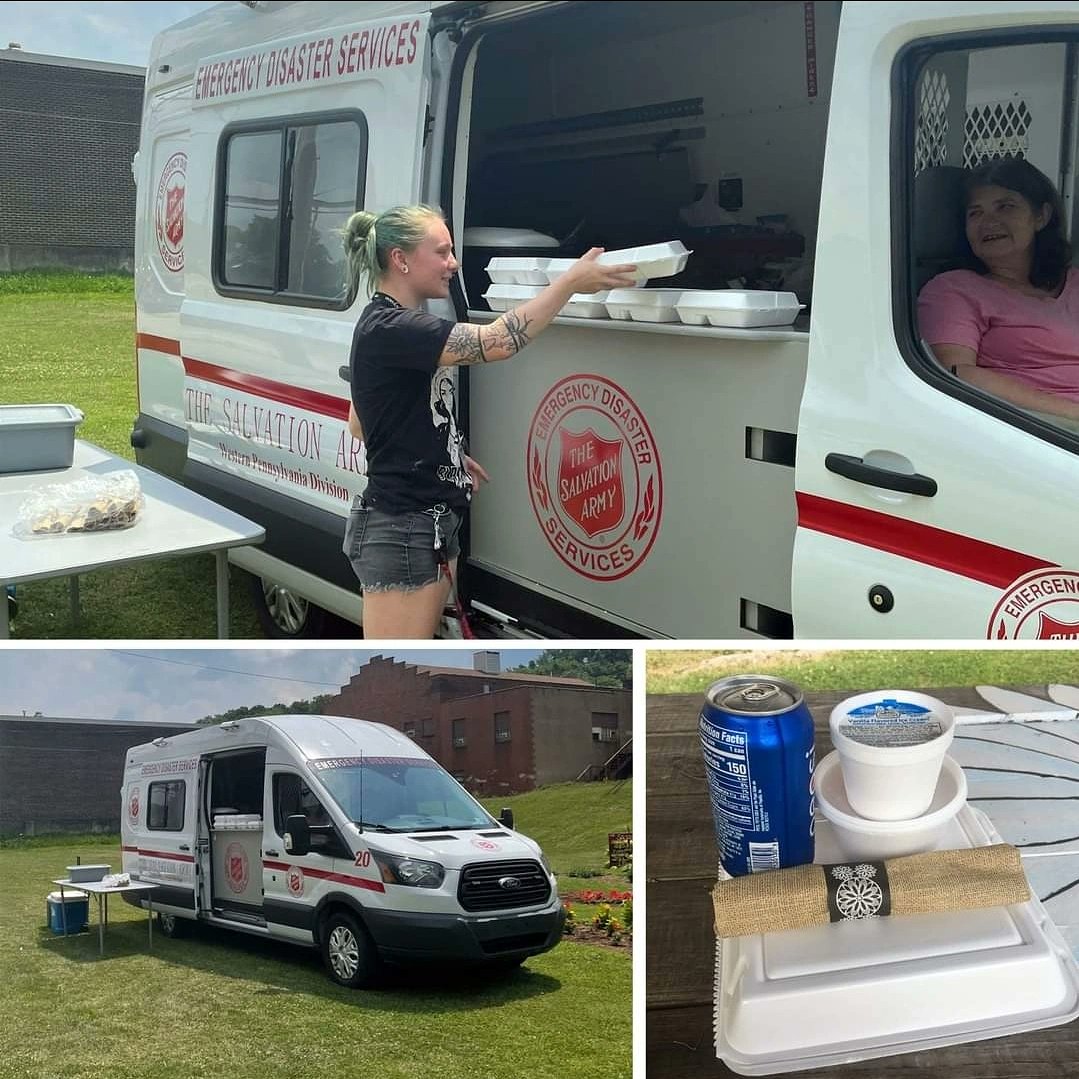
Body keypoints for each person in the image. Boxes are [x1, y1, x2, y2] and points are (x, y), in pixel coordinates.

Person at [340, 204, 636, 639]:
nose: (453, 264)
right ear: (400, 259)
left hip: (424, 524)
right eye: (441, 252)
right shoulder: (394, 328)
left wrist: (444, 455)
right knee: (403, 662)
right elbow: (496, 342)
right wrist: (570, 282)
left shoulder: (393, 327)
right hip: (402, 527)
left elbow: (360, 423)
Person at [918, 157, 1079, 428]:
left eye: (1005, 207)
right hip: (1039, 429)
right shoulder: (953, 289)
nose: (988, 222)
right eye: (975, 213)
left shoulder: (1073, 282)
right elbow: (956, 375)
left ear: (1042, 216)